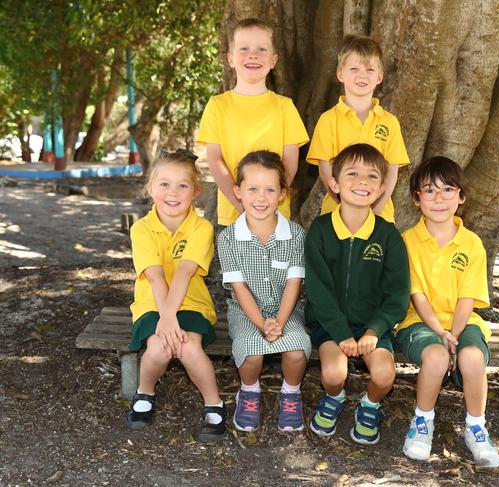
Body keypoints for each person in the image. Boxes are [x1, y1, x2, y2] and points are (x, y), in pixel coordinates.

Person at [395, 156, 499, 467]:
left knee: (471, 357)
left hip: (463, 322)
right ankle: (422, 422)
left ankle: (476, 427)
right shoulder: (408, 241)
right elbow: (418, 296)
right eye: (429, 191)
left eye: (447, 190)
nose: (439, 199)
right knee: (437, 356)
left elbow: (467, 299)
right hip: (419, 322)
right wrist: (440, 334)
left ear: (461, 197)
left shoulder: (472, 244)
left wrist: (454, 334)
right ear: (417, 199)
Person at [304, 143, 410, 445]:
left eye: (372, 176)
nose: (362, 182)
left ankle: (370, 405)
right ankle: (334, 399)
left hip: (372, 328)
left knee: (384, 375)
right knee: (334, 375)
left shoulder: (388, 236)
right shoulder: (321, 231)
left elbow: (397, 294)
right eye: (352, 173)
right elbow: (318, 291)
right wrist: (340, 334)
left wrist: (374, 330)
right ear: (334, 183)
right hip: (330, 326)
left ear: (380, 189)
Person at [126, 148, 226, 443]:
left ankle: (214, 404)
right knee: (157, 348)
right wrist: (165, 318)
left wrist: (172, 319)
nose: (173, 192)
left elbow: (184, 274)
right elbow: (155, 277)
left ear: (196, 192)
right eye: (164, 184)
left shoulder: (202, 227)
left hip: (191, 303)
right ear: (150, 188)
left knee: (188, 347)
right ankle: (144, 392)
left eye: (182, 185)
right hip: (151, 305)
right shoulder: (141, 229)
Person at [218, 151, 311, 432]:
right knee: (251, 354)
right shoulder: (228, 238)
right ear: (238, 191)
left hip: (286, 310)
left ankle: (291, 394)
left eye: (270, 189)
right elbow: (239, 288)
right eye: (253, 189)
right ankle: (249, 391)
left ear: (282, 193)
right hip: (245, 312)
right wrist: (261, 324)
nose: (261, 198)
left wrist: (280, 323)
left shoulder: (294, 234)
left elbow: (294, 284)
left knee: (296, 350)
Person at [196, 18, 309, 229]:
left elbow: (290, 161)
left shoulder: (284, 106)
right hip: (233, 215)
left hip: (276, 215)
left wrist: (268, 201)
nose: (253, 54)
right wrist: (242, 204)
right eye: (244, 48)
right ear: (230, 59)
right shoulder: (217, 105)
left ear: (273, 60)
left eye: (261, 49)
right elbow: (214, 159)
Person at [306, 34, 409, 223]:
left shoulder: (389, 122)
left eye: (369, 69)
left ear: (379, 77)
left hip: (379, 215)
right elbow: (325, 169)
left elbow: (392, 172)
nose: (362, 75)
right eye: (354, 68)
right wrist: (344, 206)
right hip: (336, 213)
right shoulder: (328, 119)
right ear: (340, 74)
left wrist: (375, 211)